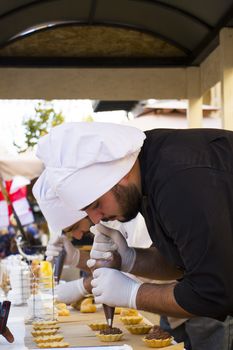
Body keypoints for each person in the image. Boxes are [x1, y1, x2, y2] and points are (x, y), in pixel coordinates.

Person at [33, 122, 233, 349]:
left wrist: (133, 294)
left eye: (96, 204)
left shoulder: (180, 180)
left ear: (122, 174)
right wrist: (129, 259)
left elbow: (213, 292)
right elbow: (182, 265)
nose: (96, 219)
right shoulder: (147, 173)